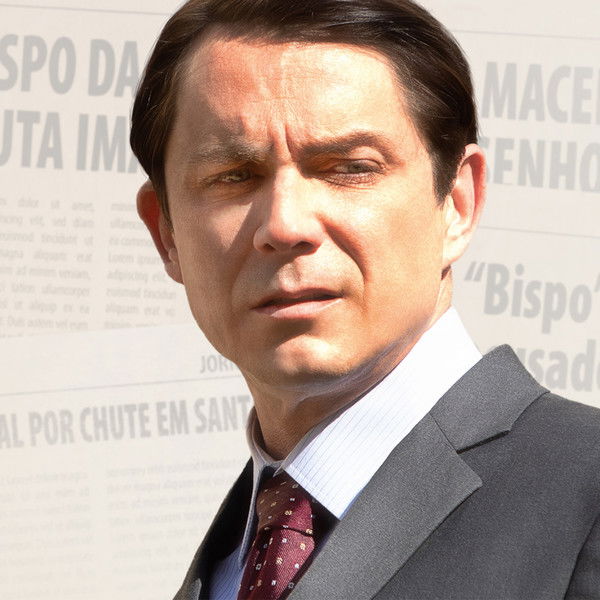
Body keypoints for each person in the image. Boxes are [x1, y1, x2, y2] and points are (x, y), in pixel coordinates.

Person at [130, 0, 600, 598]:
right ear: (166, 234)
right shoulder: (238, 552)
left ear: (457, 204)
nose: (285, 225)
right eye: (234, 176)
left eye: (350, 168)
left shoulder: (586, 502)